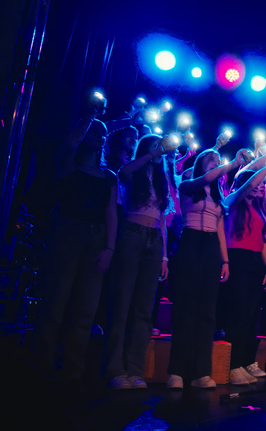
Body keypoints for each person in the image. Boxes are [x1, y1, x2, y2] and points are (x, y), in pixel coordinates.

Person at [32, 104, 118, 384]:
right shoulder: (67, 164)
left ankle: (73, 370)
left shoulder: (109, 176)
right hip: (67, 233)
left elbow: (111, 213)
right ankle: (41, 364)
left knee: (85, 309)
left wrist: (110, 248)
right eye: (95, 132)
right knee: (55, 303)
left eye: (103, 134)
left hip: (97, 239)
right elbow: (69, 145)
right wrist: (90, 117)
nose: (100, 136)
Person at [166, 148, 251, 389]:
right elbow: (206, 178)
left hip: (212, 246)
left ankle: (201, 372)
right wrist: (232, 163)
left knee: (206, 311)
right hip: (191, 241)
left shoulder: (217, 196)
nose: (215, 162)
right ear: (200, 163)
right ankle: (177, 371)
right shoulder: (188, 184)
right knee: (185, 308)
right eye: (210, 159)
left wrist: (225, 261)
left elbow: (220, 229)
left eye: (217, 159)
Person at [100, 134, 178, 389]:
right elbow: (122, 172)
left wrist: (164, 255)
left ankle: (135, 371)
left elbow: (162, 220)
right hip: (131, 234)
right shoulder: (134, 172)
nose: (160, 148)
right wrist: (153, 153)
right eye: (155, 145)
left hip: (154, 239)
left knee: (144, 310)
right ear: (146, 149)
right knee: (121, 304)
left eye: (161, 145)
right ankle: (114, 370)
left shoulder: (161, 178)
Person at [217, 151, 266, 385]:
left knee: (252, 315)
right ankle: (233, 365)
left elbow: (263, 243)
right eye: (255, 183)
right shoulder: (233, 200)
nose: (259, 186)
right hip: (237, 259)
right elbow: (249, 183)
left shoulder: (259, 209)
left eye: (262, 184)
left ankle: (245, 361)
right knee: (238, 313)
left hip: (255, 262)